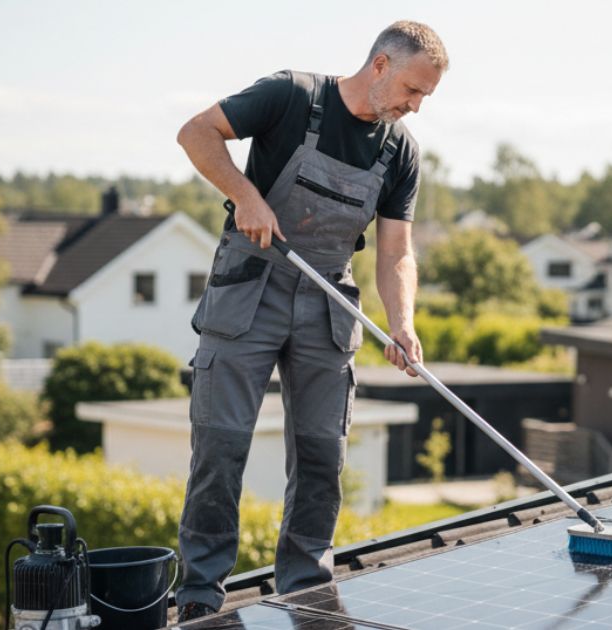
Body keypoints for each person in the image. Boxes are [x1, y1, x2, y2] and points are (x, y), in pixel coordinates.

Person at [172, 20, 447, 622]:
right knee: (221, 446)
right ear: (380, 65)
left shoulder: (400, 151)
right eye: (412, 90)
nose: (415, 106)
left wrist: (403, 322)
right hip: (250, 288)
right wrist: (246, 196)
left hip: (328, 300)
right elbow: (195, 133)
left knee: (324, 452)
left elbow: (396, 252)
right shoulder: (291, 95)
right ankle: (200, 593)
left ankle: (306, 586)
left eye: (425, 96)